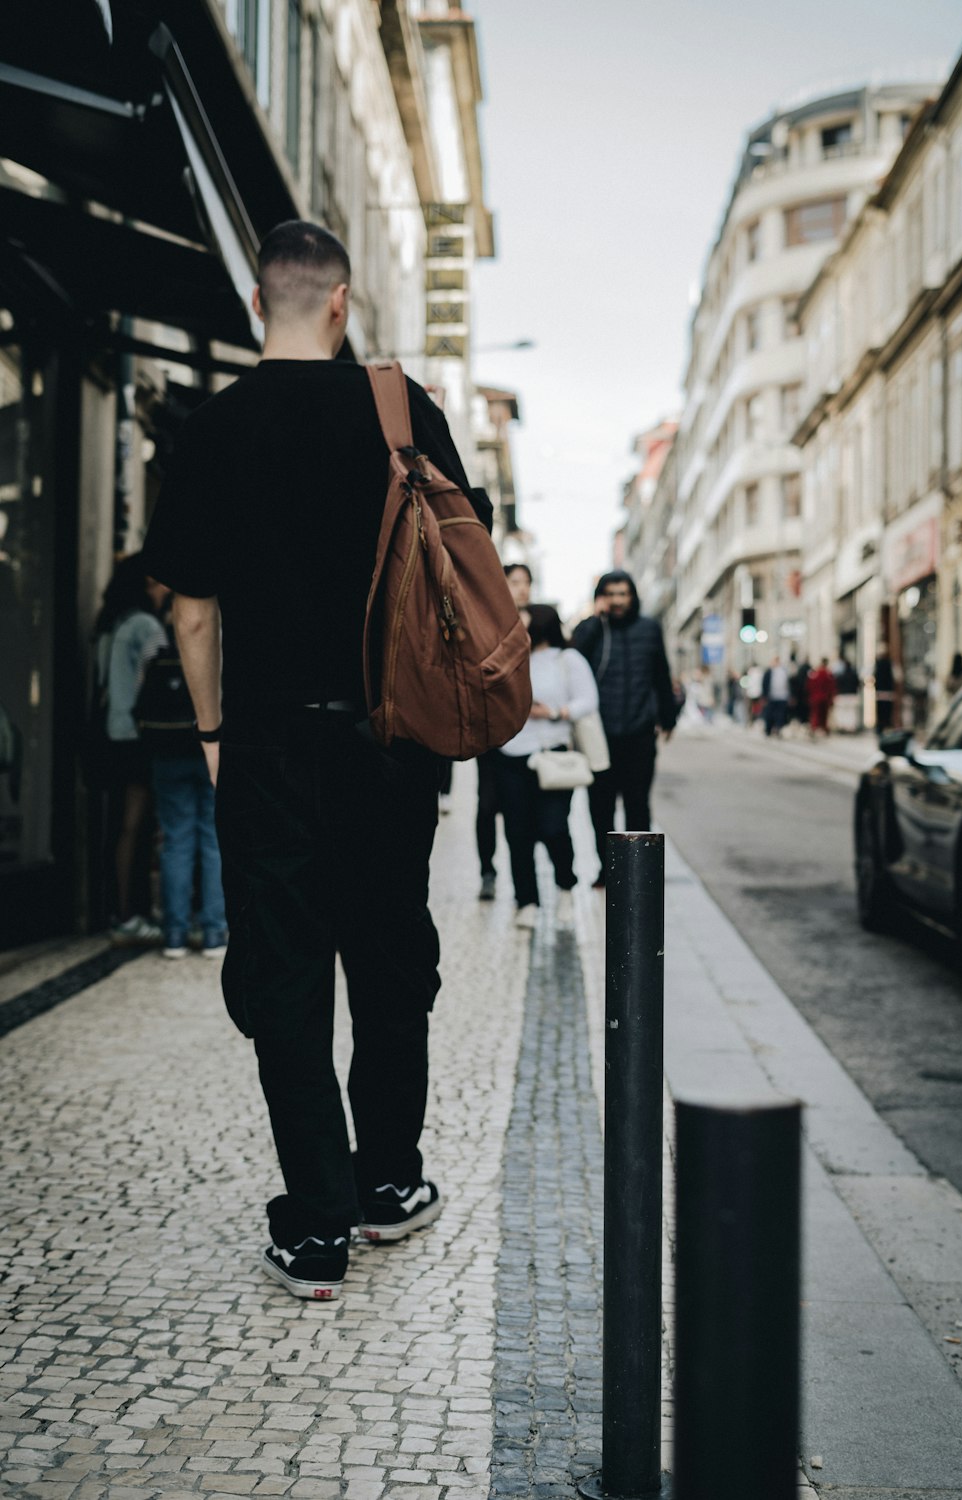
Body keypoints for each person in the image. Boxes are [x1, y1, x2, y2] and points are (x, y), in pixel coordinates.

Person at [142, 220, 492, 1300]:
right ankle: (389, 1183)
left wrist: (211, 735)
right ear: (341, 303)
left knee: (285, 975)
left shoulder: (206, 430)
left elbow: (191, 614)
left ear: (261, 305)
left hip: (266, 739)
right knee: (391, 959)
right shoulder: (400, 409)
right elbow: (462, 553)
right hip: (390, 743)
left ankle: (316, 1228)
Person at [571, 571, 676, 888]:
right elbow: (573, 658)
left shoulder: (649, 629)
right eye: (611, 594)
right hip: (599, 737)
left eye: (623, 594)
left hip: (639, 732)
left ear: (633, 597)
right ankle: (608, 869)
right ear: (602, 598)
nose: (617, 601)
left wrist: (667, 718)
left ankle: (639, 873)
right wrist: (595, 620)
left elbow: (661, 674)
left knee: (637, 805)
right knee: (600, 808)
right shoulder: (592, 630)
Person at [496, 604, 598, 929]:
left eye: (525, 623)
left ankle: (566, 887)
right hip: (513, 755)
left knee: (554, 827)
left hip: (554, 757)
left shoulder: (567, 660)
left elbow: (588, 701)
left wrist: (554, 713)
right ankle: (526, 901)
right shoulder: (511, 660)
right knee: (517, 833)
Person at [138, 615, 228, 960]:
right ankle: (213, 933)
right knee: (212, 839)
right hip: (211, 751)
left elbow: (138, 702)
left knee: (175, 839)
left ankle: (174, 935)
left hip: (166, 754)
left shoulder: (156, 653)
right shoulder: (219, 649)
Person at [91, 554, 169, 943]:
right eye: (158, 582)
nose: (165, 589)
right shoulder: (145, 626)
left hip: (110, 734)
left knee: (121, 825)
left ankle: (122, 909)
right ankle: (128, 913)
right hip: (139, 736)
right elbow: (162, 681)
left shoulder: (109, 626)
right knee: (134, 827)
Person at [475, 562, 533, 900]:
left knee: (518, 811)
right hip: (492, 731)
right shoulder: (490, 620)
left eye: (526, 582)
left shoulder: (539, 623)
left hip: (528, 736)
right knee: (486, 806)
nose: (521, 588)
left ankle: (521, 880)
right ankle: (487, 870)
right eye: (514, 581)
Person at [806, 657, 837, 736]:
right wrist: (831, 698)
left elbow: (809, 685)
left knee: (816, 714)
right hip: (825, 698)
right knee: (824, 715)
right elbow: (832, 687)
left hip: (815, 697)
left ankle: (814, 728)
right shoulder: (828, 673)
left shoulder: (815, 673)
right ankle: (824, 729)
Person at [762, 655, 791, 738]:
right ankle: (768, 730)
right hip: (771, 696)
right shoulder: (769, 672)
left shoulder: (783, 671)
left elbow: (788, 684)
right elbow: (765, 684)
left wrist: (789, 695)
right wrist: (764, 696)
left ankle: (778, 728)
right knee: (770, 714)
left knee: (780, 714)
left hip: (782, 696)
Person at [873, 644, 896, 731]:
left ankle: (881, 726)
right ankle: (886, 724)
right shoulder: (889, 664)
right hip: (887, 691)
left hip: (881, 691)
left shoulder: (878, 664)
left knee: (881, 709)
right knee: (886, 709)